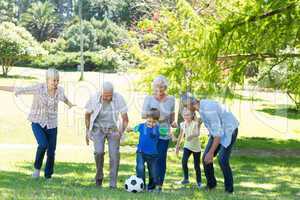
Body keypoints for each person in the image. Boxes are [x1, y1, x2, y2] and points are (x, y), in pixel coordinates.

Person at [0, 68, 75, 179]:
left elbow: (63, 98)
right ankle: (36, 169)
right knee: (43, 144)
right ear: (47, 80)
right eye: (53, 80)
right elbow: (20, 89)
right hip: (37, 122)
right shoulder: (39, 88)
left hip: (52, 124)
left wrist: (70, 104)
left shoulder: (60, 90)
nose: (55, 83)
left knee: (51, 151)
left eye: (57, 80)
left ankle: (48, 176)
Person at [181, 93, 239, 193]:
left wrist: (211, 153)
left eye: (185, 106)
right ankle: (211, 184)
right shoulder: (201, 108)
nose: (186, 109)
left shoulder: (208, 110)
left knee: (222, 159)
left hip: (229, 129)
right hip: (218, 132)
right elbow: (215, 130)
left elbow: (218, 134)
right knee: (205, 159)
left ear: (191, 104)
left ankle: (229, 190)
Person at [85, 81, 129, 188]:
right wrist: (87, 131)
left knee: (114, 155)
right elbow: (87, 115)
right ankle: (99, 176)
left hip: (113, 129)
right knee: (98, 152)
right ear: (101, 93)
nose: (107, 98)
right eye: (105, 96)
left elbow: (125, 119)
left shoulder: (119, 98)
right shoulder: (94, 98)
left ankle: (112, 183)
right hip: (98, 129)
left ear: (113, 93)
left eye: (110, 96)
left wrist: (121, 132)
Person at [141, 75, 177, 190]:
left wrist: (173, 123)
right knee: (152, 159)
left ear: (165, 87)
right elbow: (143, 115)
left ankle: (159, 185)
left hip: (164, 132)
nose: (159, 90)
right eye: (157, 88)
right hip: (151, 132)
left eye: (162, 88)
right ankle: (151, 185)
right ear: (153, 87)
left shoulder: (171, 99)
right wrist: (156, 116)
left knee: (161, 158)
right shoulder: (149, 99)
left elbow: (172, 115)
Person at [127, 108, 165, 192]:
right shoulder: (141, 126)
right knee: (140, 168)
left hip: (153, 155)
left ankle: (151, 187)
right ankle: (142, 186)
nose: (151, 124)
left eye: (154, 122)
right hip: (141, 152)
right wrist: (129, 129)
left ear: (157, 121)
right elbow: (134, 128)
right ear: (146, 119)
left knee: (153, 172)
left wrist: (172, 135)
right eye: (149, 121)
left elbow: (167, 132)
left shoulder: (158, 128)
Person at [175, 108, 202, 189]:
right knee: (184, 161)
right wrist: (177, 146)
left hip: (196, 148)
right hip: (187, 146)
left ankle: (199, 182)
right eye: (185, 115)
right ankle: (186, 179)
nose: (186, 117)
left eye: (188, 115)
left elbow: (197, 133)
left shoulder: (195, 123)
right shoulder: (182, 124)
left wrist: (191, 136)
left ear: (192, 115)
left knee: (196, 165)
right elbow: (180, 135)